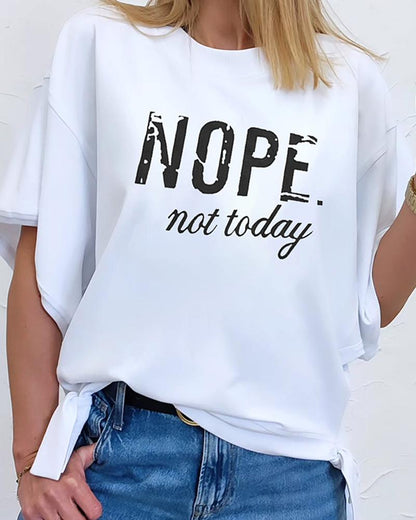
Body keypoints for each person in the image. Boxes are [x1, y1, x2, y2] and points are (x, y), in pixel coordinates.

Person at [1, 0, 415, 519]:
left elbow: (367, 303)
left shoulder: (349, 83)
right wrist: (30, 461)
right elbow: (42, 270)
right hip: (117, 467)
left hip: (289, 482)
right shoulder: (101, 46)